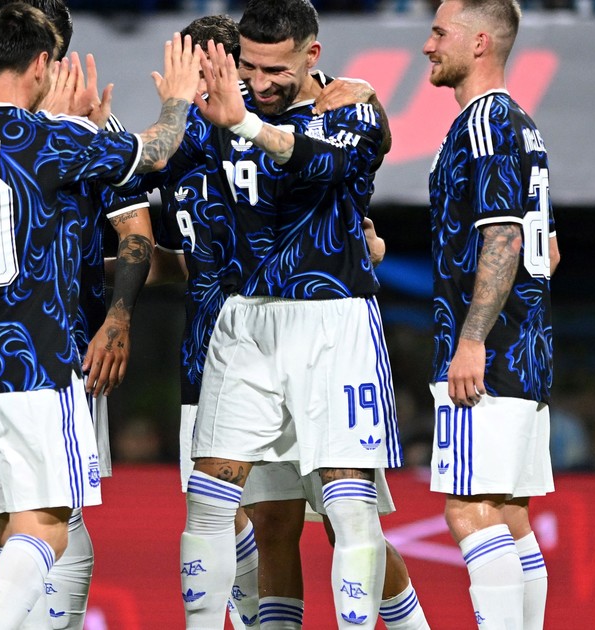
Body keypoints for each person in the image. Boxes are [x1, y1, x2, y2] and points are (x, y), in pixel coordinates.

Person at [0, 6, 202, 627]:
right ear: (42, 63)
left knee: (8, 525)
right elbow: (157, 151)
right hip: (36, 360)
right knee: (48, 527)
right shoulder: (50, 139)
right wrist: (177, 99)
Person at [117, 1, 405, 626]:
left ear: (312, 56)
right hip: (244, 321)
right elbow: (151, 161)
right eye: (250, 66)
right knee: (210, 500)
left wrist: (244, 123)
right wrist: (116, 118)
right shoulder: (225, 106)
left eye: (276, 69)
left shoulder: (349, 106)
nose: (261, 81)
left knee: (348, 509)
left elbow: (324, 162)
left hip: (333, 320)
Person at [0, 2, 157, 627]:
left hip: (63, 346)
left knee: (59, 507)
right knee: (3, 511)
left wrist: (117, 320)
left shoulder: (93, 130)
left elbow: (136, 233)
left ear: (51, 48)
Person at [421, 0, 559, 627]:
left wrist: (472, 338)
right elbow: (547, 249)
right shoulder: (522, 125)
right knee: (508, 513)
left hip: (489, 351)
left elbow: (504, 236)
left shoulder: (484, 122)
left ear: (479, 42)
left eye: (439, 32)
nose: (428, 45)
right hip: (527, 348)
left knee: (469, 510)